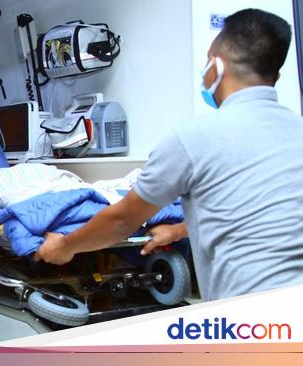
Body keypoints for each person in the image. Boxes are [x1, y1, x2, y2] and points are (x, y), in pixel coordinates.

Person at [34, 8, 303, 301]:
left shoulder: (193, 138)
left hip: (251, 320)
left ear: (217, 67)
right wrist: (177, 232)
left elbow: (121, 221)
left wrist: (65, 247)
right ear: (275, 75)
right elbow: (258, 212)